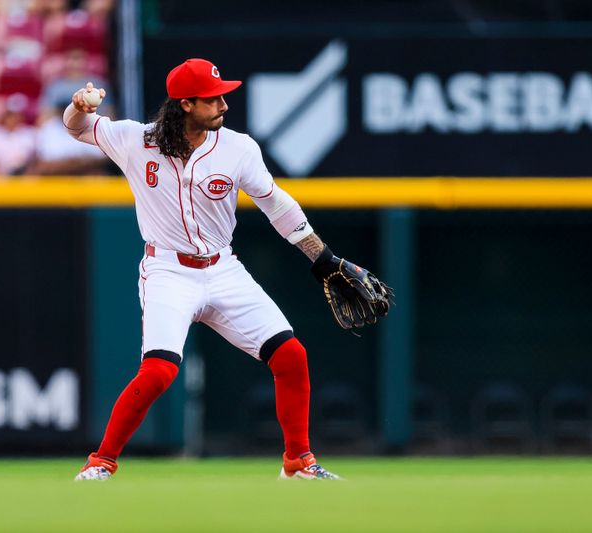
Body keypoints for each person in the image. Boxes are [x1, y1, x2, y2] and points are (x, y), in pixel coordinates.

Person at [64, 58, 389, 481]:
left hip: (223, 268)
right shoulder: (134, 139)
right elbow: (75, 128)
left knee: (290, 356)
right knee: (160, 371)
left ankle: (298, 463)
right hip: (167, 270)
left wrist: (322, 257)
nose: (223, 104)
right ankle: (100, 463)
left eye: (223, 95)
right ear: (185, 104)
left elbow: (276, 204)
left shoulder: (238, 147)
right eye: (212, 97)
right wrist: (79, 106)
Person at [0, 109, 36, 176]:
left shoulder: (28, 134)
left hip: (23, 175)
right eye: (10, 117)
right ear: (4, 118)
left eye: (15, 117)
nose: (12, 120)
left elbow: (36, 157)